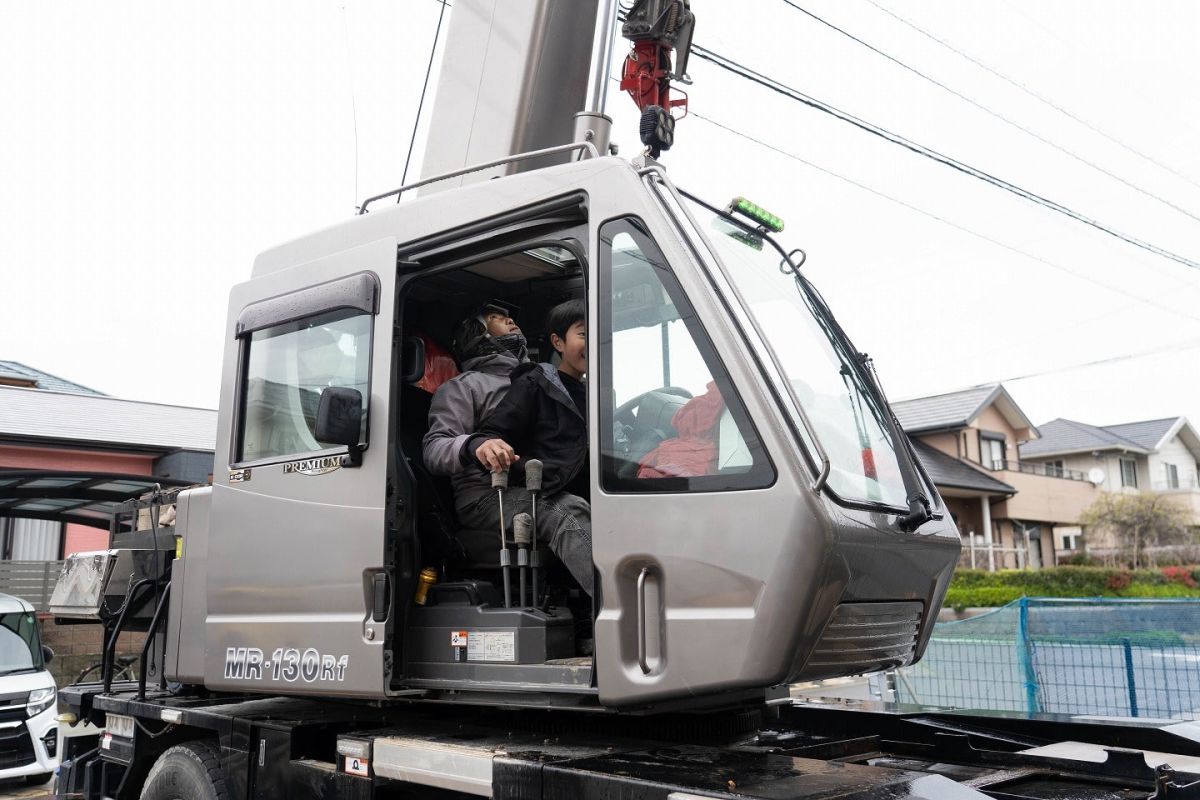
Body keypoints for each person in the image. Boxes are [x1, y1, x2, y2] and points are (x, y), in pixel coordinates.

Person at [466, 299, 592, 597]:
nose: (594, 342)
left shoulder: (597, 393)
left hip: (585, 488)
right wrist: (490, 446)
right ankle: (621, 612)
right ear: (558, 342)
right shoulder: (535, 383)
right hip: (545, 488)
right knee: (570, 511)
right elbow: (494, 434)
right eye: (584, 334)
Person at [422, 303, 528, 528]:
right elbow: (434, 448)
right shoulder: (463, 386)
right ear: (477, 333)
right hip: (484, 497)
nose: (510, 321)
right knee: (569, 514)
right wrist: (475, 445)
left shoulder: (537, 381)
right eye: (495, 317)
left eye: (509, 318)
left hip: (538, 485)